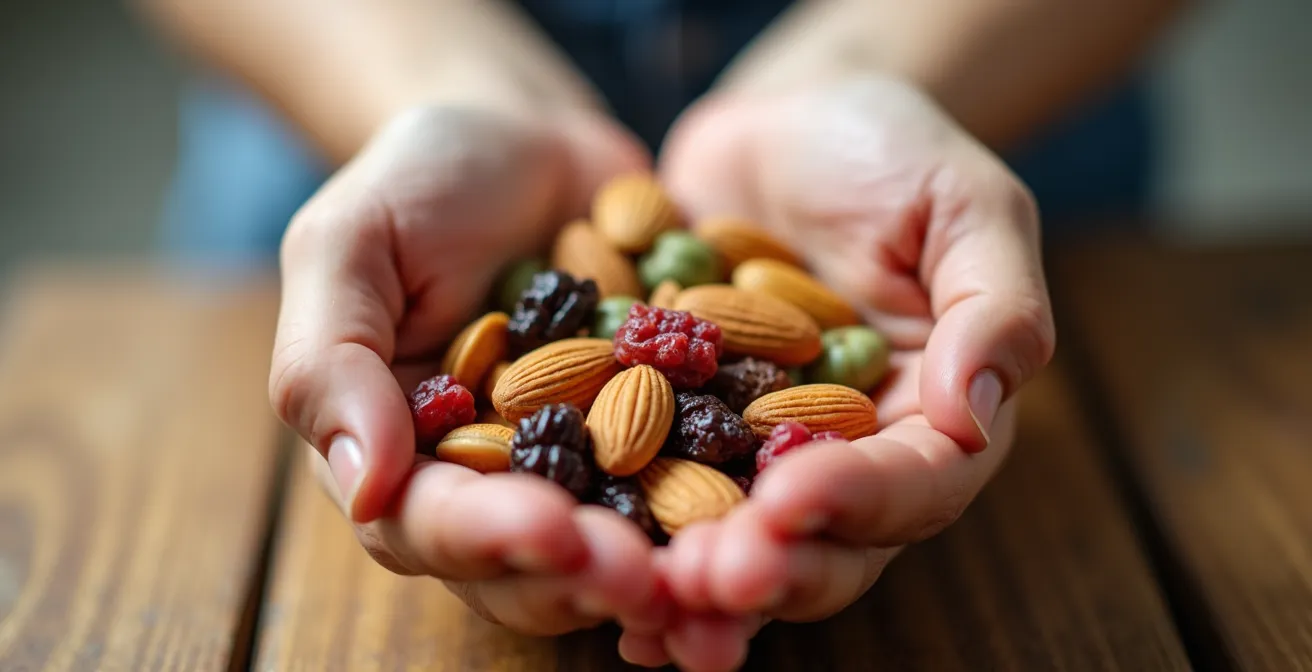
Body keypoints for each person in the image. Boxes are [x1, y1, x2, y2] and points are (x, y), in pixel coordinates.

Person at [137, 1, 1188, 670]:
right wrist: (438, 89)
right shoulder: (556, 345)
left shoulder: (721, 349)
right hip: (344, 89)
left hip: (1000, 102)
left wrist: (870, 69)